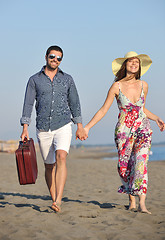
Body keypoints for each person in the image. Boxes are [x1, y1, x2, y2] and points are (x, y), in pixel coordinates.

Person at [83, 51, 165, 214]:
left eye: (137, 62)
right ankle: (132, 201)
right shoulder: (117, 86)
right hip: (123, 131)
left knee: (141, 163)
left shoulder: (144, 85)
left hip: (143, 128)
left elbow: (141, 109)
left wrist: (156, 118)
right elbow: (103, 110)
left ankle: (142, 203)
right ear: (125, 65)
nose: (134, 64)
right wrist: (87, 127)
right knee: (125, 166)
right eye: (131, 62)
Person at [20, 45, 86, 212]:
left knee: (61, 157)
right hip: (43, 128)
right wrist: (25, 127)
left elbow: (75, 103)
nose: (55, 60)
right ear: (46, 57)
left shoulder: (68, 79)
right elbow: (28, 103)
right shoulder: (34, 80)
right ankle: (53, 196)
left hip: (63, 125)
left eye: (58, 58)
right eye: (52, 56)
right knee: (49, 166)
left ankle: (58, 199)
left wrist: (79, 126)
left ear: (61, 60)